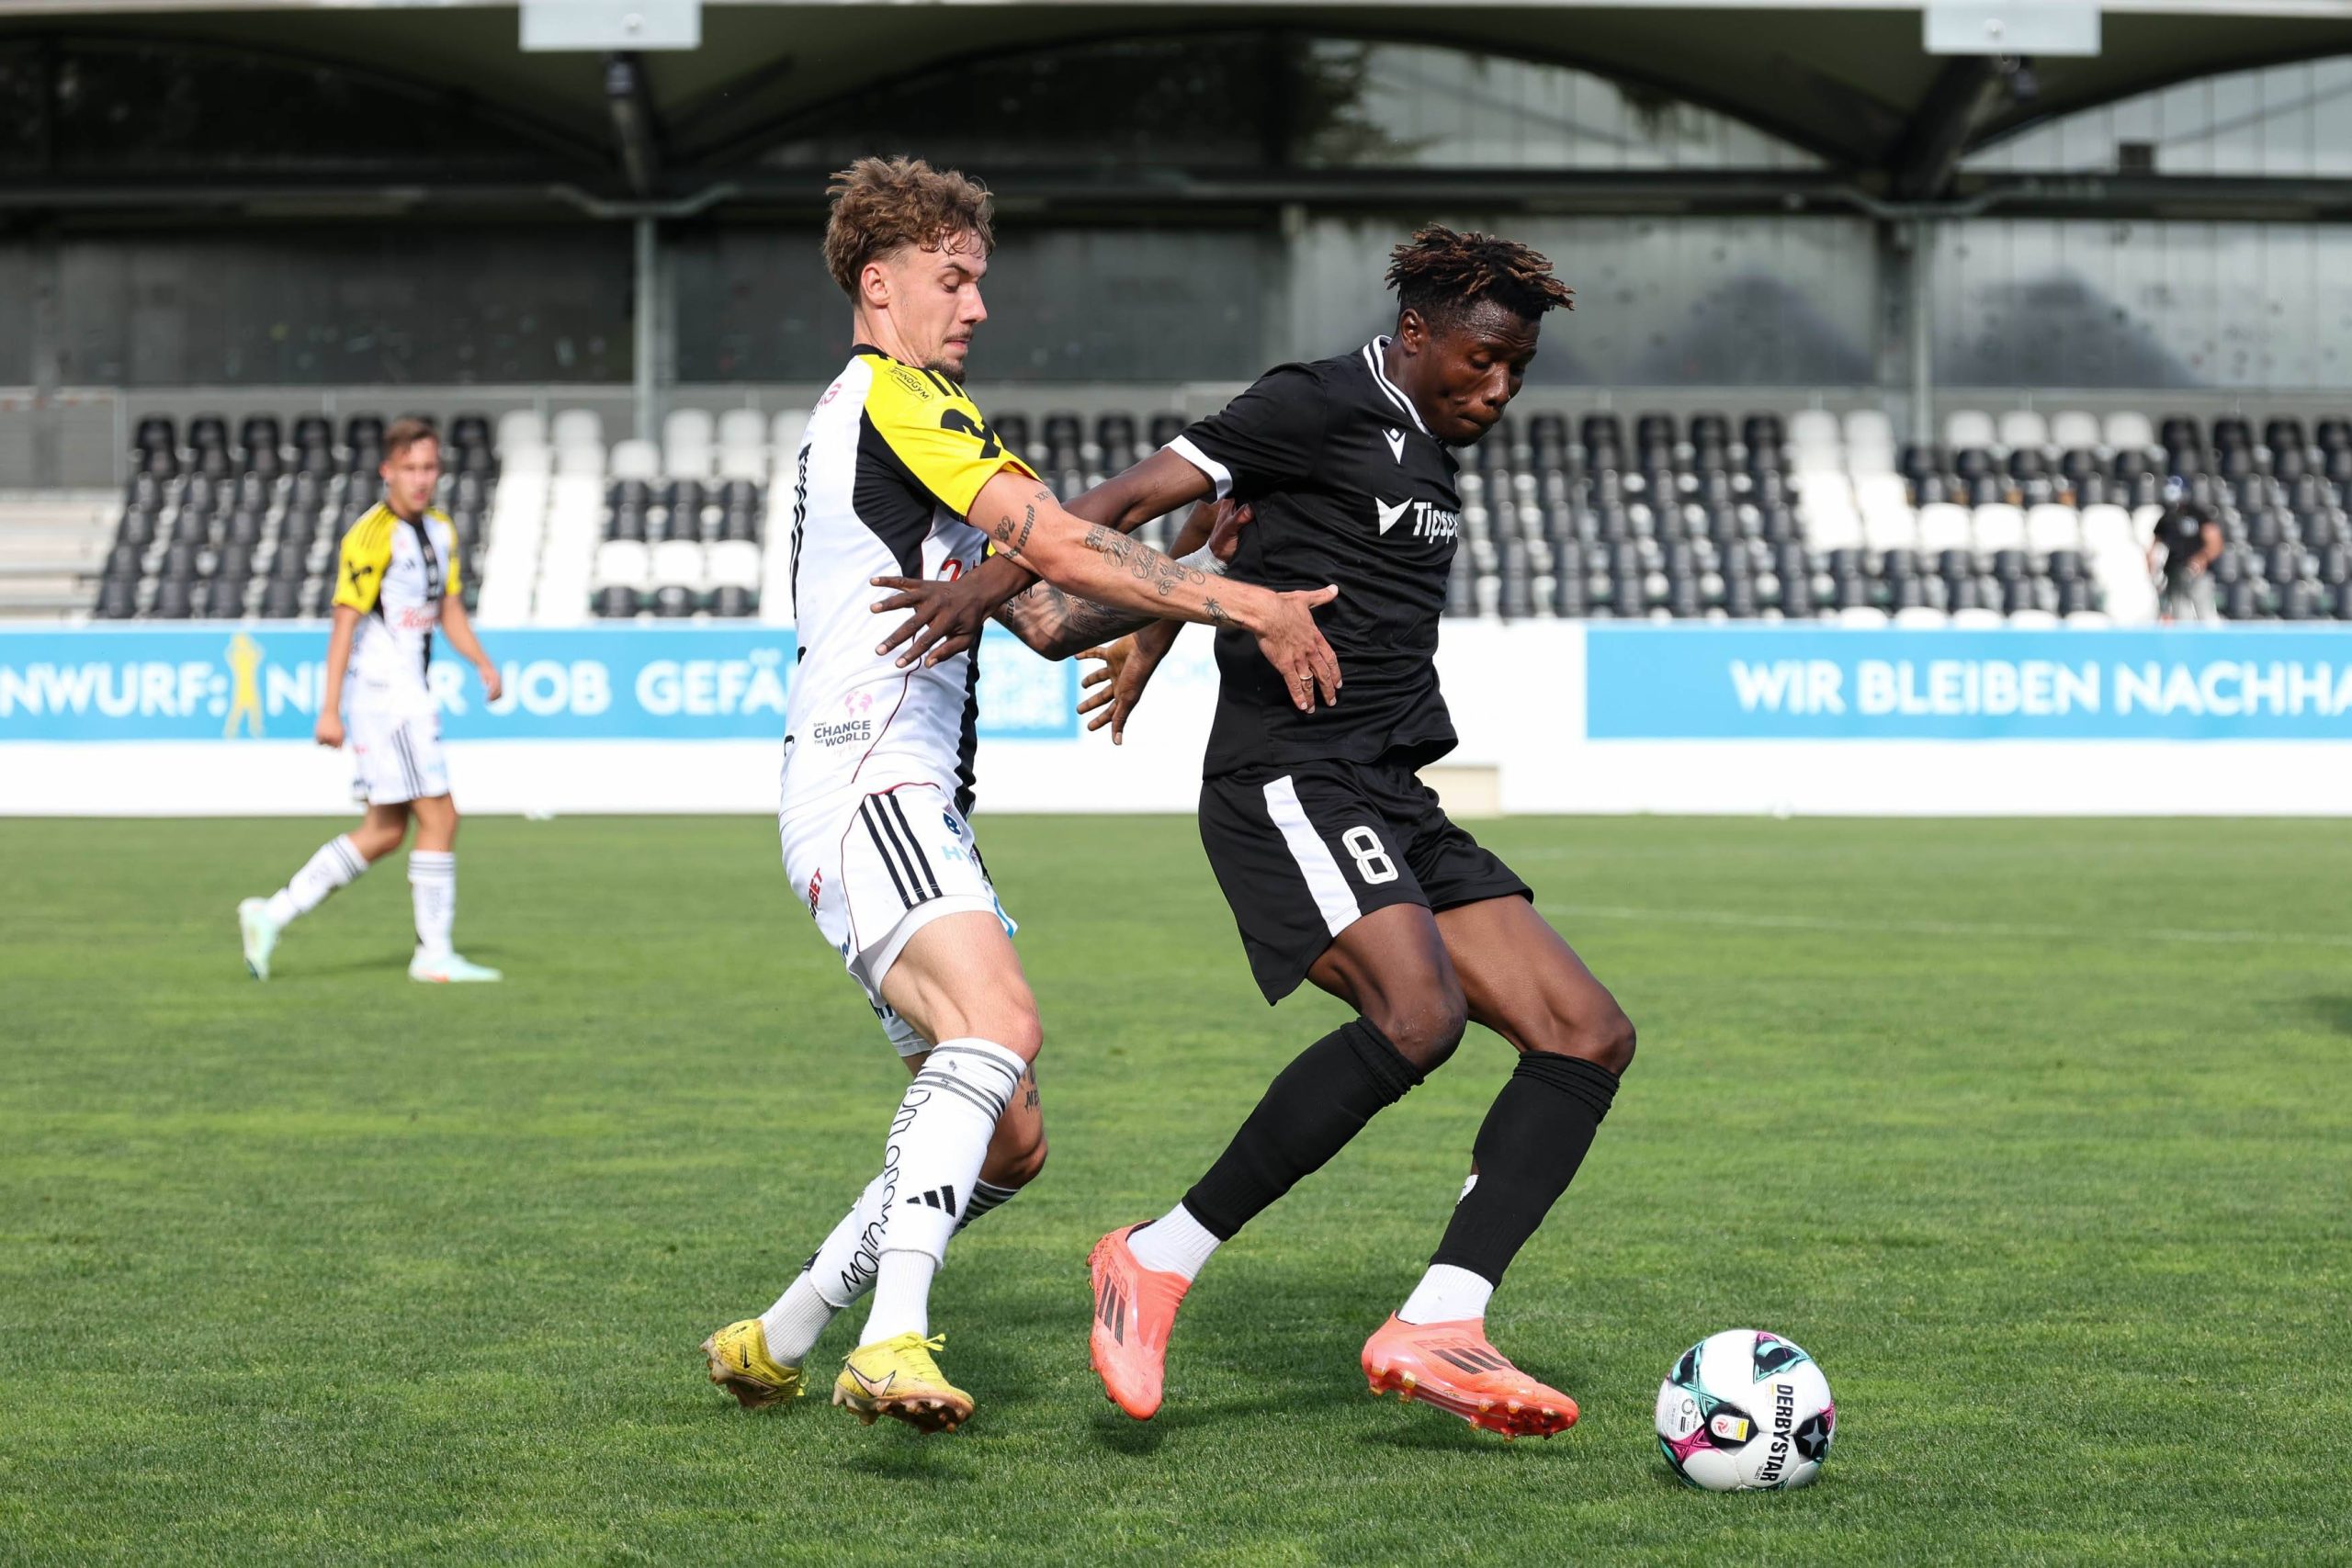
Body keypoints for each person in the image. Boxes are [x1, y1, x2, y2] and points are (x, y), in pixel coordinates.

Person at [878, 226, 1635, 1440]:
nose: (1495, 388)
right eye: (1480, 360)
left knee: (1585, 1033)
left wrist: (1160, 625)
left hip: (1391, 789)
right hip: (1291, 776)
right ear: (1416, 335)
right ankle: (1155, 1257)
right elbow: (1126, 502)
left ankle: (1442, 1315)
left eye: (1518, 370)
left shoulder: (1425, 443)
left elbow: (1233, 541)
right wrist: (992, 573)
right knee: (1419, 1014)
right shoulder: (1315, 399)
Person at [698, 155, 1340, 1437]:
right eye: (954, 278)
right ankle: (891, 1339)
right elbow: (1048, 540)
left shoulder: (914, 416)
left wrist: (1177, 579)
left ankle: (780, 1333)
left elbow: (1044, 609)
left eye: (979, 279)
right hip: (867, 776)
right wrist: (1248, 602)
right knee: (997, 1021)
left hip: (899, 797)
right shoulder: (896, 398)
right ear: (879, 287)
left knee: (1008, 1138)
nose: (977, 303)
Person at [238, 418, 503, 985]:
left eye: (429, 467)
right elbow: (344, 622)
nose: (421, 478)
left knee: (385, 831)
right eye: (409, 468)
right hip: (387, 696)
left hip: (408, 691)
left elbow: (449, 607)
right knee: (441, 815)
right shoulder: (371, 534)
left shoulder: (439, 531)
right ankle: (433, 953)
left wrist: (480, 660)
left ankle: (272, 913)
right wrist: (328, 707)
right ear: (388, 471)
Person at [2148, 484, 2222, 623]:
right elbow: (2155, 546)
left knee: (2205, 612)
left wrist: (2202, 559)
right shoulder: (2165, 519)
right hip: (2175, 572)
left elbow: (2215, 542)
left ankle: (2211, 643)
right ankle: (2185, 644)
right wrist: (2152, 571)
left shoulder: (2198, 514)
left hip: (2198, 573)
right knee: (2180, 614)